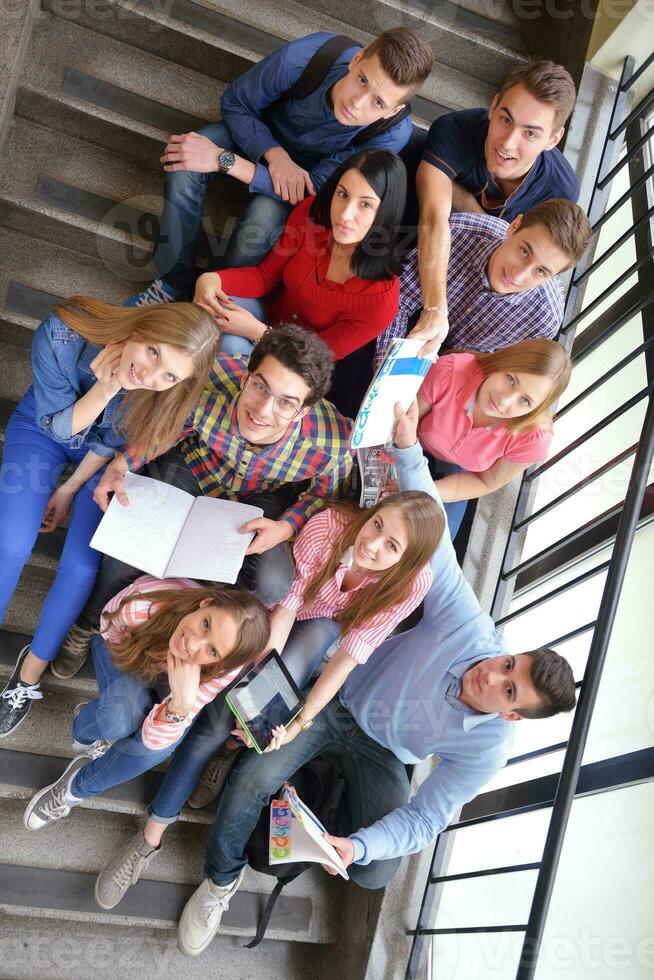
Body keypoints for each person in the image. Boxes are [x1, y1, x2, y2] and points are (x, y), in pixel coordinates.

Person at [167, 400, 577, 958]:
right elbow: (428, 534)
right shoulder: (473, 629)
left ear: (511, 714)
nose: (493, 673)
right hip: (338, 698)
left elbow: (427, 816)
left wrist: (356, 847)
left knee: (376, 871)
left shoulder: (489, 747)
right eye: (509, 663)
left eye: (508, 689)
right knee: (248, 781)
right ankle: (219, 880)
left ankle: (314, 805)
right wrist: (408, 450)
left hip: (384, 751)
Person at [60, 489, 441, 912]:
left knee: (285, 679)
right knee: (221, 715)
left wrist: (296, 723)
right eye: (377, 525)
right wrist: (254, 688)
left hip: (326, 627)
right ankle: (163, 821)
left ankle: (178, 805)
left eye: (392, 546)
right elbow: (286, 611)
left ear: (406, 560)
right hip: (286, 613)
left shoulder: (410, 585)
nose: (372, 544)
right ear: (371, 513)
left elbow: (347, 660)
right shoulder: (330, 527)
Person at [50, 325, 353, 680]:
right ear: (246, 377)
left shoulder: (334, 440)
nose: (263, 410)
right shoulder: (211, 379)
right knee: (126, 554)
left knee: (273, 582)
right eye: (259, 387)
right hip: (194, 466)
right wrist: (121, 463)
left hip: (259, 497)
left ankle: (189, 630)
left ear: (302, 412)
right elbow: (166, 430)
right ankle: (88, 625)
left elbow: (324, 494)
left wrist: (287, 526)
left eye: (286, 403)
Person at [0, 299, 220, 738]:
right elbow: (58, 426)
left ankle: (28, 675)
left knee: (82, 569)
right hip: (43, 430)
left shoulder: (162, 394)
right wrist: (107, 387)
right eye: (153, 352)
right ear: (144, 325)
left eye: (170, 376)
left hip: (99, 461)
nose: (151, 377)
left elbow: (109, 443)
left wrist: (67, 489)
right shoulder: (65, 330)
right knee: (11, 542)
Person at [129, 28, 433, 306]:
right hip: (256, 135)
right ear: (356, 59)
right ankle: (172, 282)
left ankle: (207, 301)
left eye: (377, 103)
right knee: (184, 163)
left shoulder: (391, 133)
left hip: (304, 183)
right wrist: (275, 155)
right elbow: (236, 103)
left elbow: (314, 189)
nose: (357, 103)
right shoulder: (310, 57)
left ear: (393, 110)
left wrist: (225, 161)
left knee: (263, 220)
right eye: (362, 80)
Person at [22, 577, 269, 859]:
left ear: (221, 661)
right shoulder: (145, 604)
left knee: (155, 749)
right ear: (205, 603)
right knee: (119, 717)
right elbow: (109, 627)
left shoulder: (222, 670)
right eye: (205, 624)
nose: (194, 644)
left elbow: (154, 741)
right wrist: (145, 665)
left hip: (171, 681)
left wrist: (181, 704)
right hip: (125, 644)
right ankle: (85, 728)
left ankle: (72, 790)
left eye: (212, 650)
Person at [193, 150, 406, 416]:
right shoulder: (312, 214)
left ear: (385, 213)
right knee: (217, 306)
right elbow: (265, 277)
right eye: (342, 194)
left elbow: (317, 359)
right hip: (266, 312)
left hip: (296, 369)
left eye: (365, 204)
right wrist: (212, 278)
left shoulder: (381, 299)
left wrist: (259, 332)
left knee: (232, 347)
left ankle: (211, 417)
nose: (345, 214)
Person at [412, 60, 580, 357]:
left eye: (530, 133)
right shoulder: (455, 130)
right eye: (505, 119)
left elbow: (540, 257)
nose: (508, 142)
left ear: (553, 139)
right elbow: (434, 218)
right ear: (492, 107)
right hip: (422, 250)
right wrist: (436, 308)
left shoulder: (560, 189)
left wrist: (462, 199)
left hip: (485, 282)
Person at [373, 198, 592, 368]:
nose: (518, 274)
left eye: (541, 271)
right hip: (413, 322)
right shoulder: (459, 232)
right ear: (514, 226)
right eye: (524, 251)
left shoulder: (543, 321)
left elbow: (493, 370)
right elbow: (401, 302)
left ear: (552, 277)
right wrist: (387, 370)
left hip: (458, 370)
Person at [408, 338, 572, 538]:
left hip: (461, 473)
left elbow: (486, 482)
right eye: (510, 379)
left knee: (431, 544)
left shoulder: (533, 438)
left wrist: (424, 490)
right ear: (503, 361)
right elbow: (406, 423)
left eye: (526, 401)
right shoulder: (451, 370)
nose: (504, 400)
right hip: (413, 440)